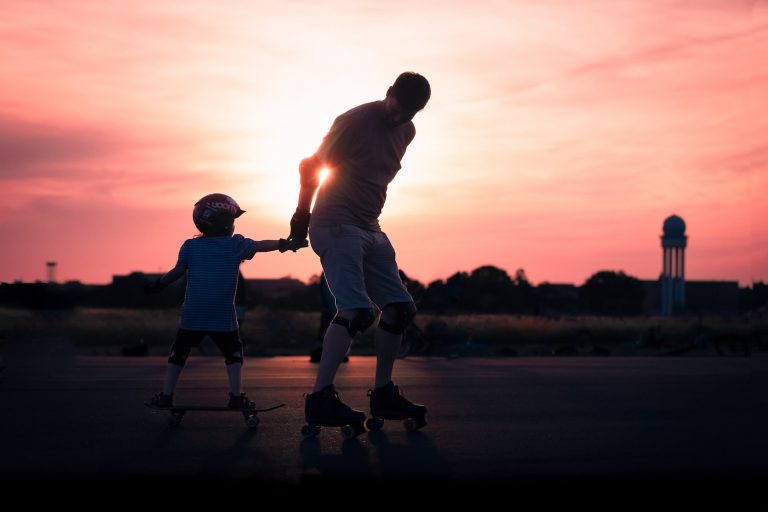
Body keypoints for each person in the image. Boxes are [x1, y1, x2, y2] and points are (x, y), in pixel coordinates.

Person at [287, 72, 431, 430]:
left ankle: (382, 393)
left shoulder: (407, 131)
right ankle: (320, 398)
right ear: (388, 94)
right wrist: (301, 217)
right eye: (398, 108)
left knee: (399, 310)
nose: (400, 118)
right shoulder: (353, 121)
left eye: (410, 113)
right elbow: (311, 166)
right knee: (356, 311)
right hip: (335, 223)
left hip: (370, 227)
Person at [145, 193, 306, 408]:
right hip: (222, 315)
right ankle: (236, 396)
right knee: (233, 354)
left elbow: (177, 271)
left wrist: (159, 284)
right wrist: (284, 244)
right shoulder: (235, 245)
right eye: (231, 220)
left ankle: (166, 395)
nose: (233, 225)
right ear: (221, 222)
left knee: (179, 353)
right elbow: (260, 245)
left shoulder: (190, 247)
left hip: (193, 314)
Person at [308, 272, 348, 363]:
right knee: (331, 331)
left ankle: (327, 352)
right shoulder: (332, 272)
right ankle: (333, 353)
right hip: (334, 310)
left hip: (331, 309)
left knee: (327, 331)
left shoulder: (328, 271)